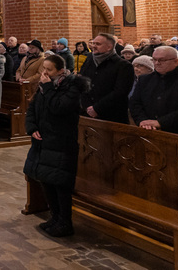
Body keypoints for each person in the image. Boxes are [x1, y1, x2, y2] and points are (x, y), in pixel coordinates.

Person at [23, 54, 89, 238]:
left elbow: (59, 108)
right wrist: (32, 127)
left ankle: (65, 223)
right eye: (43, 68)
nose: (44, 73)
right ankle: (54, 218)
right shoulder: (45, 86)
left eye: (49, 69)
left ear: (61, 70)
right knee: (46, 179)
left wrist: (47, 87)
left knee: (60, 183)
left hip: (61, 141)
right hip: (43, 141)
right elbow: (32, 108)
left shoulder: (72, 86)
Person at [129, 46, 178, 138]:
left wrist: (160, 122)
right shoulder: (145, 79)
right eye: (154, 59)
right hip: (148, 132)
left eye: (162, 60)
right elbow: (135, 103)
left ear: (176, 61)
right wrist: (142, 121)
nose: (157, 63)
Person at [78, 33, 134, 124]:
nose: (94, 46)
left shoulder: (123, 66)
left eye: (98, 44)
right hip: (87, 114)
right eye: (93, 43)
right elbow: (81, 84)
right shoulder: (89, 62)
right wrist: (87, 106)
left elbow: (120, 92)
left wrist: (97, 109)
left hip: (112, 116)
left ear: (109, 47)